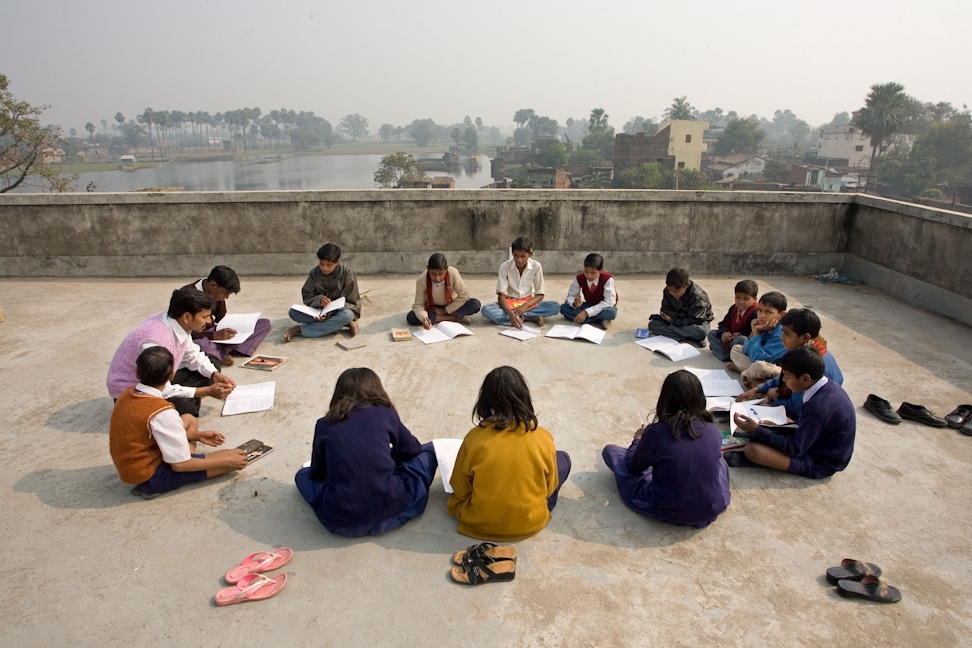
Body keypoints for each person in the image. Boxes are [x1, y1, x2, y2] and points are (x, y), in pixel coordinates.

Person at [295, 368, 437, 537]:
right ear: (377, 389)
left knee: (302, 475)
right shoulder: (386, 414)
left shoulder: (324, 424)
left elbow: (318, 473)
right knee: (429, 451)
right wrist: (386, 458)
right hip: (395, 511)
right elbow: (412, 449)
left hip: (340, 522)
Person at [447, 366, 571, 541]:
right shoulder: (543, 437)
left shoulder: (474, 438)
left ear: (485, 400)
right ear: (524, 397)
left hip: (478, 522)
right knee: (563, 458)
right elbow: (548, 489)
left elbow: (460, 488)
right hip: (531, 523)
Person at [109, 346, 248, 498]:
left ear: (136, 373)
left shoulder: (126, 394)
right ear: (171, 375)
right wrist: (225, 461)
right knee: (235, 459)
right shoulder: (162, 411)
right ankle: (153, 487)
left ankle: (183, 455)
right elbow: (179, 465)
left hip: (133, 467)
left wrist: (196, 435)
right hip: (150, 475)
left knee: (189, 419)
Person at [602, 370, 730, 528]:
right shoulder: (712, 430)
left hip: (669, 511)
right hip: (711, 509)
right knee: (720, 463)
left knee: (612, 452)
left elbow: (632, 466)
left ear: (666, 400)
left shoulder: (656, 432)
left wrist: (638, 440)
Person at [729, 345, 856, 479]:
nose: (783, 381)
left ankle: (766, 461)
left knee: (753, 450)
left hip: (820, 462)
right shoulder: (825, 386)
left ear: (805, 378)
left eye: (787, 377)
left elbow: (795, 449)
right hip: (815, 442)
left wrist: (756, 429)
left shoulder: (817, 407)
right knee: (769, 431)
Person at [106, 287, 236, 417]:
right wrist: (206, 391)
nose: (209, 321)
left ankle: (186, 396)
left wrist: (214, 375)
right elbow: (157, 385)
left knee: (213, 367)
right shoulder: (156, 341)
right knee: (187, 410)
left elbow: (192, 355)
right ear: (187, 317)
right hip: (135, 392)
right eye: (205, 317)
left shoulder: (178, 323)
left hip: (160, 377)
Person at [736, 308, 844, 421]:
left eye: (787, 334)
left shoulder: (808, 363)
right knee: (757, 386)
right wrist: (758, 389)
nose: (781, 337)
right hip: (798, 397)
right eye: (782, 332)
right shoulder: (812, 348)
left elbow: (795, 408)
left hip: (809, 417)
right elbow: (784, 376)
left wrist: (772, 395)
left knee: (757, 418)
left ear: (805, 337)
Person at [183, 265, 271, 367]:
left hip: (214, 332)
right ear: (213, 285)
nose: (226, 297)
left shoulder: (215, 293)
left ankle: (224, 350)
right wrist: (213, 335)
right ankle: (220, 352)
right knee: (199, 344)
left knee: (264, 324)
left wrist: (233, 327)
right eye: (225, 294)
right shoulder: (188, 296)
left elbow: (221, 316)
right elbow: (184, 332)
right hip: (198, 336)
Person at [285, 243, 362, 341]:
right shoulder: (314, 273)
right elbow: (307, 295)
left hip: (340, 311)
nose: (325, 268)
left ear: (337, 262)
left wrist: (329, 314)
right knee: (293, 312)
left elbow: (351, 302)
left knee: (347, 315)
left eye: (329, 265)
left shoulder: (347, 274)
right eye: (321, 264)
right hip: (318, 313)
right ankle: (339, 325)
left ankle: (300, 329)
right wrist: (319, 300)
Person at [481, 237, 561, 328]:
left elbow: (540, 294)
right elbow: (501, 296)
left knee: (555, 306)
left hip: (528, 303)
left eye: (523, 256)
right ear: (512, 253)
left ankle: (518, 317)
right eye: (516, 256)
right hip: (510, 303)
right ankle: (528, 318)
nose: (519, 260)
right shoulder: (504, 267)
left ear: (530, 254)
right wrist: (511, 314)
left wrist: (525, 306)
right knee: (486, 310)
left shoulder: (536, 266)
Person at [726, 291, 788, 387]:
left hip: (778, 368)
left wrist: (756, 334)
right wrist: (753, 331)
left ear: (781, 315)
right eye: (760, 310)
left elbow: (757, 359)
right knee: (736, 349)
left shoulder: (782, 333)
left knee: (760, 366)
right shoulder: (764, 326)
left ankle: (747, 375)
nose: (762, 315)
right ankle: (751, 374)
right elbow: (746, 349)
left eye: (768, 312)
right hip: (760, 360)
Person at [407, 253, 482, 328]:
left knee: (475, 304)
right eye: (433, 274)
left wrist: (445, 310)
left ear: (446, 269)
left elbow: (464, 296)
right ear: (428, 270)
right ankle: (453, 318)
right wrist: (424, 319)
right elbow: (419, 305)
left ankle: (438, 317)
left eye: (440, 274)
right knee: (411, 317)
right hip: (433, 307)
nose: (437, 278)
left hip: (452, 304)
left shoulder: (453, 273)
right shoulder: (421, 280)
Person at [646, 268, 714, 344]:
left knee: (701, 332)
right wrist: (671, 318)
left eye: (676, 291)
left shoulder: (697, 296)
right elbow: (665, 309)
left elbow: (694, 319)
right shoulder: (668, 291)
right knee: (652, 325)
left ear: (685, 285)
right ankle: (688, 337)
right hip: (677, 320)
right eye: (670, 290)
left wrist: (672, 320)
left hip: (696, 323)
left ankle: (683, 335)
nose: (673, 293)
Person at [559, 252, 618, 330]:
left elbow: (609, 302)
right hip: (588, 305)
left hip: (603, 307)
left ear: (600, 271)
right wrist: (574, 303)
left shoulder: (607, 279)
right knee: (563, 308)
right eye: (586, 271)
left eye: (593, 273)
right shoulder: (580, 278)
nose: (589, 276)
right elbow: (570, 296)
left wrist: (586, 312)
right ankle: (599, 320)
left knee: (611, 313)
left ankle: (584, 319)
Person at [707, 280, 759, 361]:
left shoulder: (756, 313)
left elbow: (753, 334)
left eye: (746, 299)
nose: (741, 302)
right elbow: (723, 323)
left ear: (754, 299)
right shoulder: (734, 308)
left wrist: (739, 334)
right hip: (730, 339)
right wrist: (724, 332)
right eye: (738, 298)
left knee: (742, 339)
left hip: (739, 341)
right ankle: (728, 354)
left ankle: (724, 353)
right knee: (711, 333)